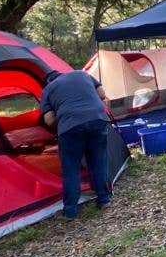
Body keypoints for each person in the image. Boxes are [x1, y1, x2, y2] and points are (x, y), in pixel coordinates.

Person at [40, 69, 112, 219]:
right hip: (98, 119)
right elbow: (102, 94)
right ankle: (103, 199)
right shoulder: (82, 74)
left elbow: (48, 120)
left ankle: (70, 211)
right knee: (98, 161)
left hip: (71, 127)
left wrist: (61, 113)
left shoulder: (48, 89)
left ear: (48, 82)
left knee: (71, 168)